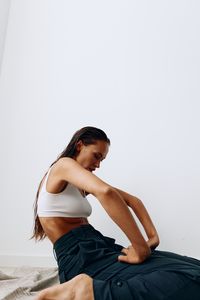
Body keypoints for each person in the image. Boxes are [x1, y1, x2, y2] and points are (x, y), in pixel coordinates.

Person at [31, 126, 200, 300]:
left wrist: (152, 237)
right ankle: (84, 292)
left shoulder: (79, 182)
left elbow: (133, 201)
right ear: (80, 145)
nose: (98, 165)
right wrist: (141, 247)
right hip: (80, 259)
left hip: (99, 247)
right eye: (96, 156)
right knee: (188, 280)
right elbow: (106, 193)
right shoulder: (64, 164)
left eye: (101, 160)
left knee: (194, 268)